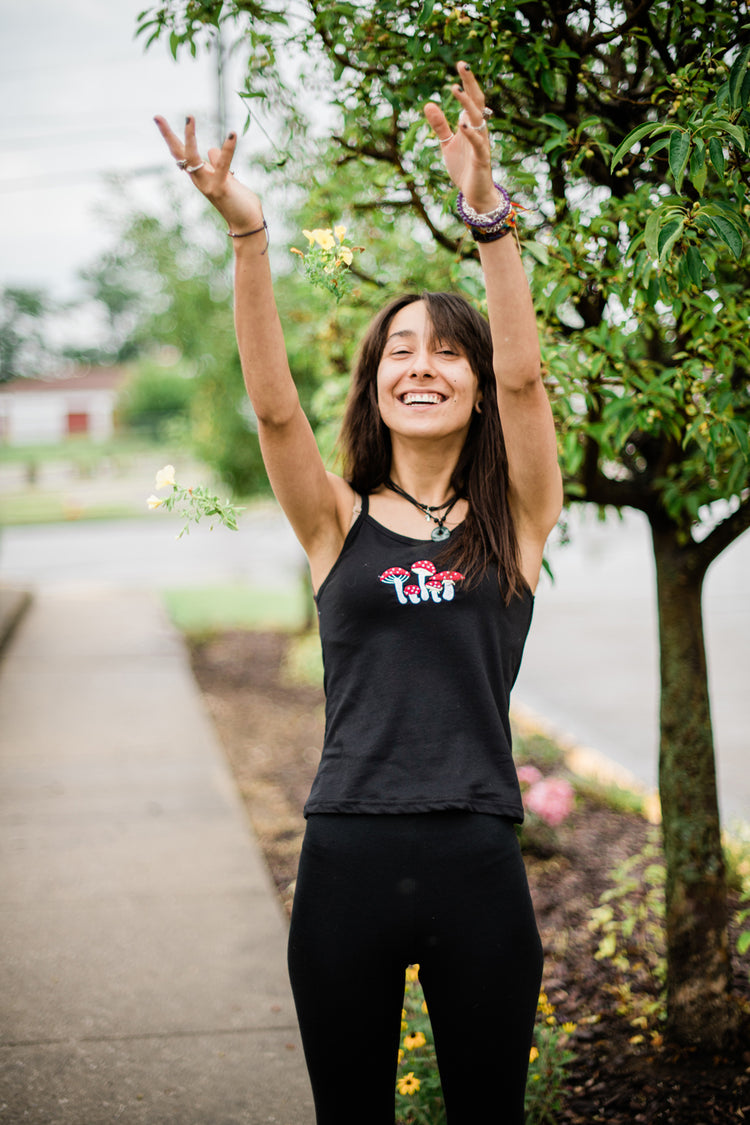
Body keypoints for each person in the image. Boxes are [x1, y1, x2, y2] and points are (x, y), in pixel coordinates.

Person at [156, 60, 562, 1125]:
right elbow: (276, 414)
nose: (421, 365)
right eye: (399, 352)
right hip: (348, 856)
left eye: (446, 353)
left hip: (479, 859)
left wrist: (490, 220)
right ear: (378, 385)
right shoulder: (333, 521)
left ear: (474, 389)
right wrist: (250, 241)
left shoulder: (516, 523)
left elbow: (530, 378)